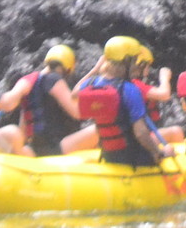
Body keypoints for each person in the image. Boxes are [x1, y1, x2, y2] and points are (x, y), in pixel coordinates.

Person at [73, 35, 171, 166]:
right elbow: (141, 133)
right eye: (134, 61)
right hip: (133, 159)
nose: (136, 66)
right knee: (168, 152)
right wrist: (159, 152)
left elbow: (74, 93)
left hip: (109, 155)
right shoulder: (129, 90)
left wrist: (95, 70)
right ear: (126, 62)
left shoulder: (91, 84)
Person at [0, 44, 84, 157]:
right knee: (98, 130)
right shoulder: (54, 79)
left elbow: (24, 127)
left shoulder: (31, 83)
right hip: (54, 148)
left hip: (35, 148)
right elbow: (78, 113)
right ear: (67, 68)